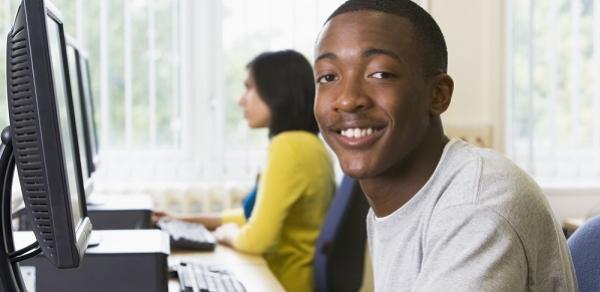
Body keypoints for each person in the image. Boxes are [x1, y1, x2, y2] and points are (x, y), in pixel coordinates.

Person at [313, 0, 577, 291]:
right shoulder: (397, 202)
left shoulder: (476, 205)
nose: (348, 99)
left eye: (380, 74)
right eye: (328, 77)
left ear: (438, 95)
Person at [157, 50, 335, 292]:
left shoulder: (288, 148)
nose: (241, 100)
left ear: (277, 92)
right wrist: (184, 220)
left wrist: (227, 234)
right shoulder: (310, 144)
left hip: (282, 283)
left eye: (250, 88)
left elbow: (256, 239)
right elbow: (253, 216)